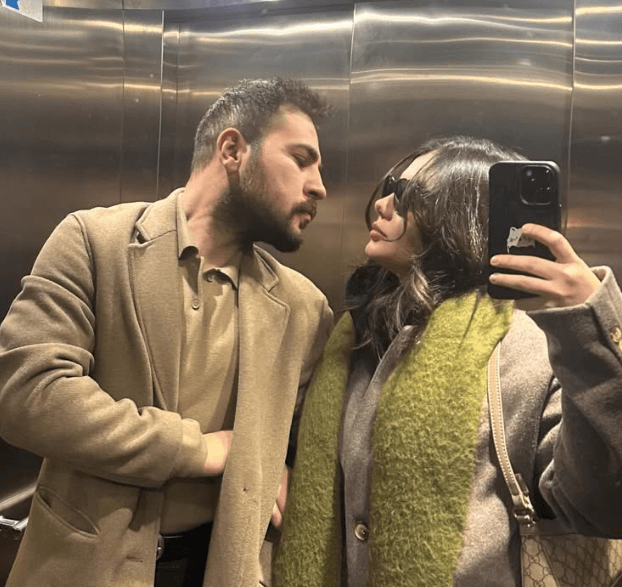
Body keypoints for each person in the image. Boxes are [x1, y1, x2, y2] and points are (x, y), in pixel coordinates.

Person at [0, 77, 334, 587]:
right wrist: (200, 450)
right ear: (232, 150)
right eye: (301, 159)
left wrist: (278, 466)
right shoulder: (94, 242)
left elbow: (308, 446)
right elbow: (28, 394)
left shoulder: (306, 309)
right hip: (84, 567)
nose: (319, 186)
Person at [273, 135, 622, 587]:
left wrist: (592, 333)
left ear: (459, 217)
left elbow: (601, 505)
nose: (382, 204)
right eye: (388, 189)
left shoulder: (528, 350)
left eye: (406, 196)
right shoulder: (358, 341)